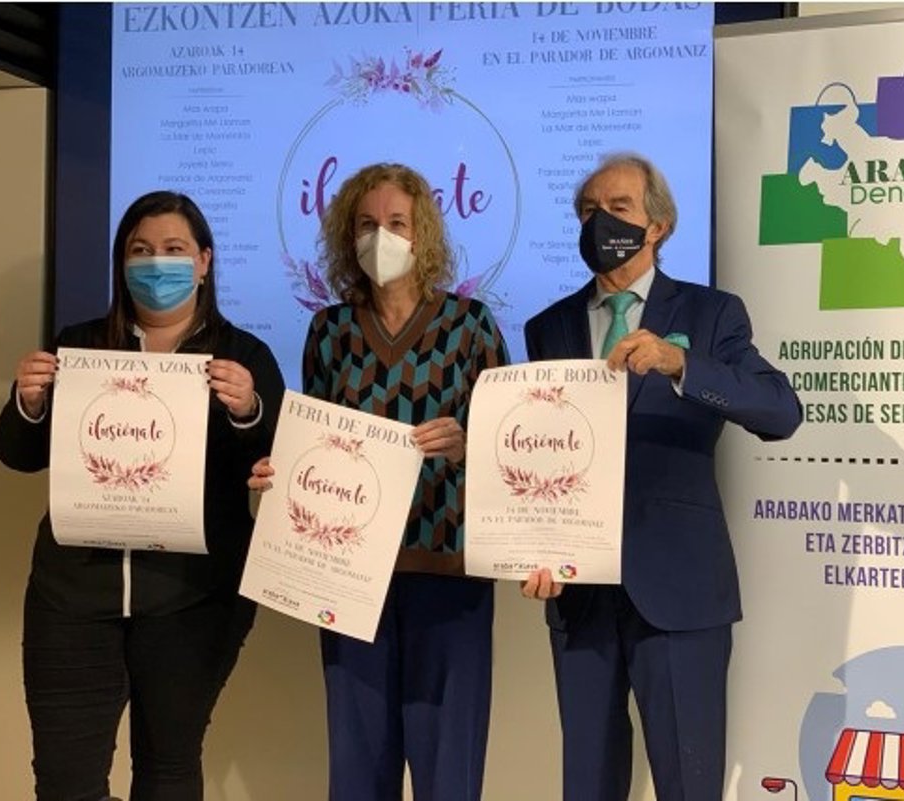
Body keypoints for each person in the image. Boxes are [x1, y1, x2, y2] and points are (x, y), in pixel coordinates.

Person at [520, 153, 803, 801]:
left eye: (618, 208)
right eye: (589, 211)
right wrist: (533, 544)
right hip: (579, 594)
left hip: (680, 588)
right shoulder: (549, 327)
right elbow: (540, 451)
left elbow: (780, 412)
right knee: (586, 783)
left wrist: (681, 364)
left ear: (658, 226)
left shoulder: (711, 314)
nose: (600, 222)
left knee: (688, 782)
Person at [0, 190, 285, 801]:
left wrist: (249, 411)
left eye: (174, 249)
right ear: (121, 263)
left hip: (193, 601)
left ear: (203, 261)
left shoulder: (243, 356)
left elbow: (272, 466)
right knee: (66, 782)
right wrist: (30, 401)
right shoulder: (78, 347)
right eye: (140, 250)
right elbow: (19, 454)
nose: (156, 264)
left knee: (169, 770)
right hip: (71, 599)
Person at [250, 162, 509, 801]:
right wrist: (281, 478)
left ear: (424, 235)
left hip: (449, 572)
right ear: (348, 237)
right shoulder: (330, 331)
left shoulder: (471, 326)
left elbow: (508, 450)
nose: (381, 237)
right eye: (366, 224)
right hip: (348, 575)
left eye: (397, 223)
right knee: (358, 764)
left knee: (449, 768)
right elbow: (315, 447)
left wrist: (468, 444)